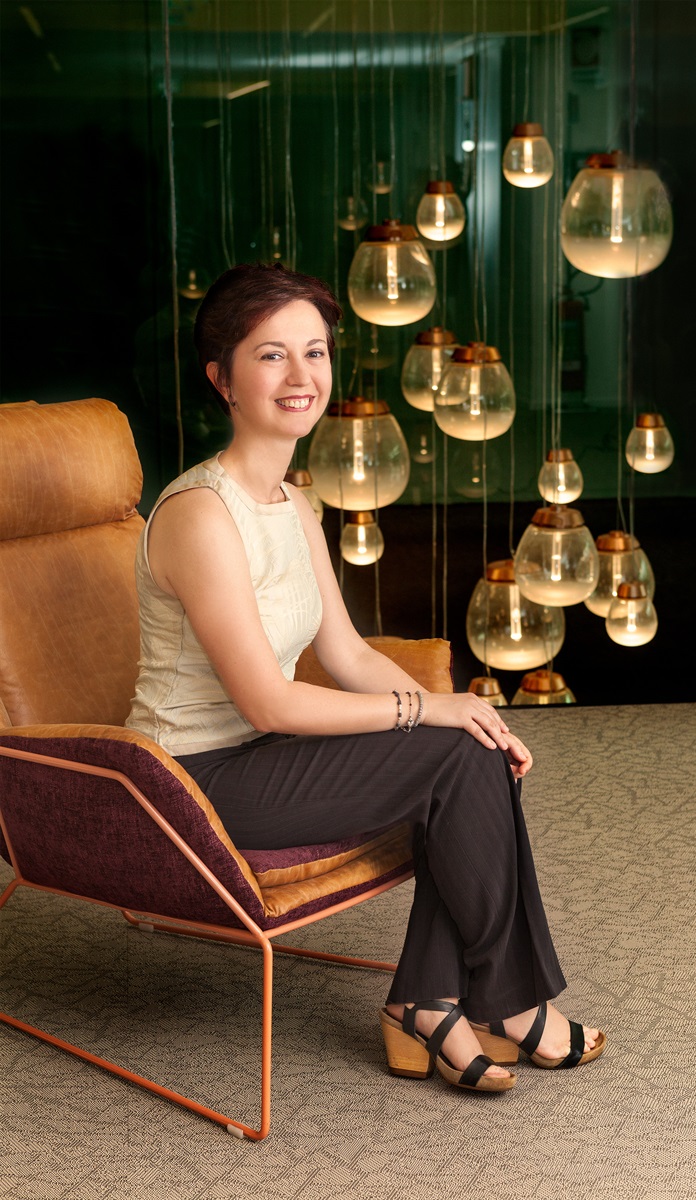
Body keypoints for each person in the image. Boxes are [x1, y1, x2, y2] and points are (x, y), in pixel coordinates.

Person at [126, 261, 605, 1094]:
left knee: (471, 749)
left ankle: (431, 1003)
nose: (301, 375)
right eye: (271, 355)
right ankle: (509, 1003)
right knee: (452, 752)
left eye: (314, 352)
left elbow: (346, 655)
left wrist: (458, 709)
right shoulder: (200, 514)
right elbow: (267, 700)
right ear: (222, 378)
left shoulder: (293, 505)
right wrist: (425, 712)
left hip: (261, 755)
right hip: (187, 779)